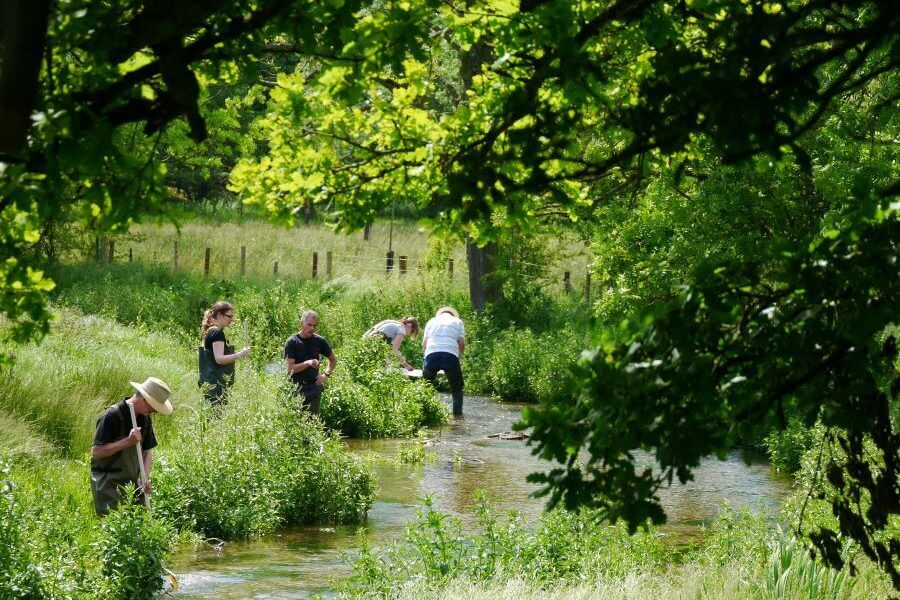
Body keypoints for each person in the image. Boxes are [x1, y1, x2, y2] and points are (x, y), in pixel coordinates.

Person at [90, 377, 173, 516]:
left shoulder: (145, 419)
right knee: (115, 523)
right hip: (108, 483)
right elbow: (96, 452)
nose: (155, 411)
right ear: (144, 400)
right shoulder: (111, 416)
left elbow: (147, 452)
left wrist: (145, 479)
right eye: (154, 407)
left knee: (141, 520)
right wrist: (127, 441)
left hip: (132, 483)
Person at [198, 301, 250, 407]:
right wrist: (241, 354)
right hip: (217, 384)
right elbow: (219, 359)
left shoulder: (211, 330)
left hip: (210, 382)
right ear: (220, 315)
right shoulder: (217, 333)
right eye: (229, 316)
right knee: (217, 412)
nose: (232, 319)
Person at [284, 310, 336, 415]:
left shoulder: (320, 341)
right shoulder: (292, 342)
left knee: (312, 420)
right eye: (309, 325)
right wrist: (308, 363)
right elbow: (290, 369)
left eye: (315, 325)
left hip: (313, 388)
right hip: (295, 388)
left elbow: (333, 360)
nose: (312, 328)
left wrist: (325, 375)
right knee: (296, 420)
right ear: (301, 324)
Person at [422, 306, 465, 416]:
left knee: (426, 385)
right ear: (453, 315)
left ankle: (424, 414)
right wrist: (459, 356)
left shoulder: (431, 321)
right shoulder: (458, 322)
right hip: (450, 355)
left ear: (440, 314)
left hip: (432, 354)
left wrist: (427, 357)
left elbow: (424, 344)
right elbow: (461, 343)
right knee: (457, 389)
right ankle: (457, 417)